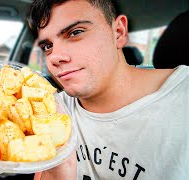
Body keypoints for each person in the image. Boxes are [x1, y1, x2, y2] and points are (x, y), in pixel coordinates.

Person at [27, 0, 189, 179]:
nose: (55, 57)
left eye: (76, 32)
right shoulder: (52, 110)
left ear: (118, 32)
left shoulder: (183, 99)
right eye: (48, 46)